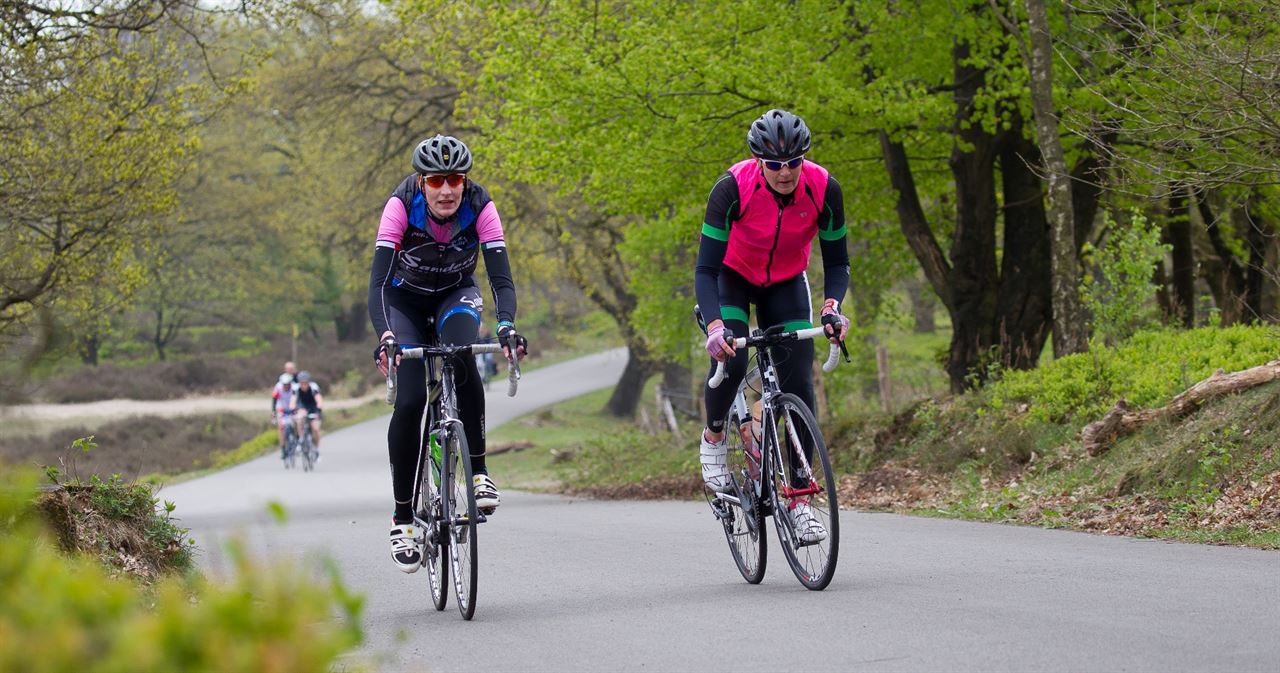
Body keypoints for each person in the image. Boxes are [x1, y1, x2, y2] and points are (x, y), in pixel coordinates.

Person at [369, 134, 528, 573]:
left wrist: (506, 324)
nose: (446, 189)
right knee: (410, 402)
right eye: (436, 180)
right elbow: (379, 283)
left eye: (455, 179)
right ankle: (403, 518)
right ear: (422, 182)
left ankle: (478, 473)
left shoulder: (482, 206)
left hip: (455, 295)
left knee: (461, 354)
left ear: (464, 180)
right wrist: (385, 335)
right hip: (404, 303)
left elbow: (501, 279)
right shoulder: (400, 206)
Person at [694, 109, 851, 544]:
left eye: (794, 163)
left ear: (805, 159)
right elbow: (705, 269)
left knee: (798, 376)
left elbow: (837, 262)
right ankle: (714, 436)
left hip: (785, 281)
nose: (785, 173)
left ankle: (800, 499)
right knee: (734, 352)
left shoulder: (825, 188)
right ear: (758, 161)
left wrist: (833, 308)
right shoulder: (731, 189)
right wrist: (715, 327)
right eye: (775, 164)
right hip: (731, 277)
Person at [291, 370, 324, 457]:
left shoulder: (314, 387)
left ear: (309, 382)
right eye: (302, 383)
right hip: (302, 406)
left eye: (305, 383)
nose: (304, 385)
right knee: (299, 418)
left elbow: (319, 400)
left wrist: (319, 410)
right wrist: (293, 409)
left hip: (313, 407)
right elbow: (293, 401)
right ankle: (301, 438)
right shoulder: (296, 388)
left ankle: (316, 448)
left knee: (316, 429)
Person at [270, 372, 298, 459]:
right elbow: (274, 400)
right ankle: (283, 448)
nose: (286, 386)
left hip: (292, 408)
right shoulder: (278, 387)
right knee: (281, 427)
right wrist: (274, 412)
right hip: (281, 408)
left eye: (288, 384)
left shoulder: (295, 387)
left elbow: (298, 399)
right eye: (284, 384)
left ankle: (297, 440)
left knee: (297, 422)